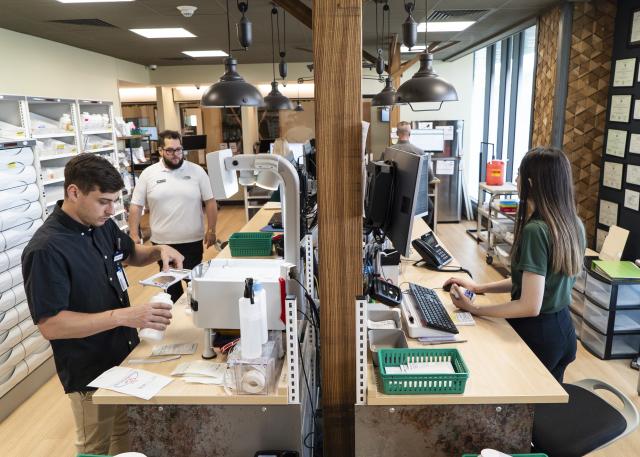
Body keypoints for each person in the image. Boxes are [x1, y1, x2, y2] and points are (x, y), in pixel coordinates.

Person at [22, 154, 184, 455]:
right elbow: (52, 325)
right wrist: (125, 316)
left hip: (122, 356)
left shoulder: (100, 224)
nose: (111, 210)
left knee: (124, 433)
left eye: (115, 200)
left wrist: (158, 250)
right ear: (74, 192)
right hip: (89, 368)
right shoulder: (46, 250)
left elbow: (130, 253)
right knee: (95, 446)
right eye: (103, 201)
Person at [444, 147, 585, 382]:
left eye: (518, 175)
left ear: (530, 182)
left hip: (538, 335)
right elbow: (532, 283)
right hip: (563, 332)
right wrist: (479, 288)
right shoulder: (572, 224)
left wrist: (475, 309)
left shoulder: (536, 230)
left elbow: (530, 305)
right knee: (541, 410)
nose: (516, 180)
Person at [129, 130, 218, 302]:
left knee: (194, 286)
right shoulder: (149, 174)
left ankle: (196, 323)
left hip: (192, 240)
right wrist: (134, 235)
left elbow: (210, 201)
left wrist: (212, 230)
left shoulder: (197, 171)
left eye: (179, 150)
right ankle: (175, 326)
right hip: (161, 243)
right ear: (160, 150)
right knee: (171, 289)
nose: (176, 155)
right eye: (170, 150)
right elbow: (136, 205)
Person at [390, 121, 435, 226]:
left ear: (397, 133)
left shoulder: (388, 151)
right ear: (410, 134)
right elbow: (430, 177)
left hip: (395, 197)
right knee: (430, 207)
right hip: (415, 196)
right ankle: (420, 233)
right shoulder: (420, 152)